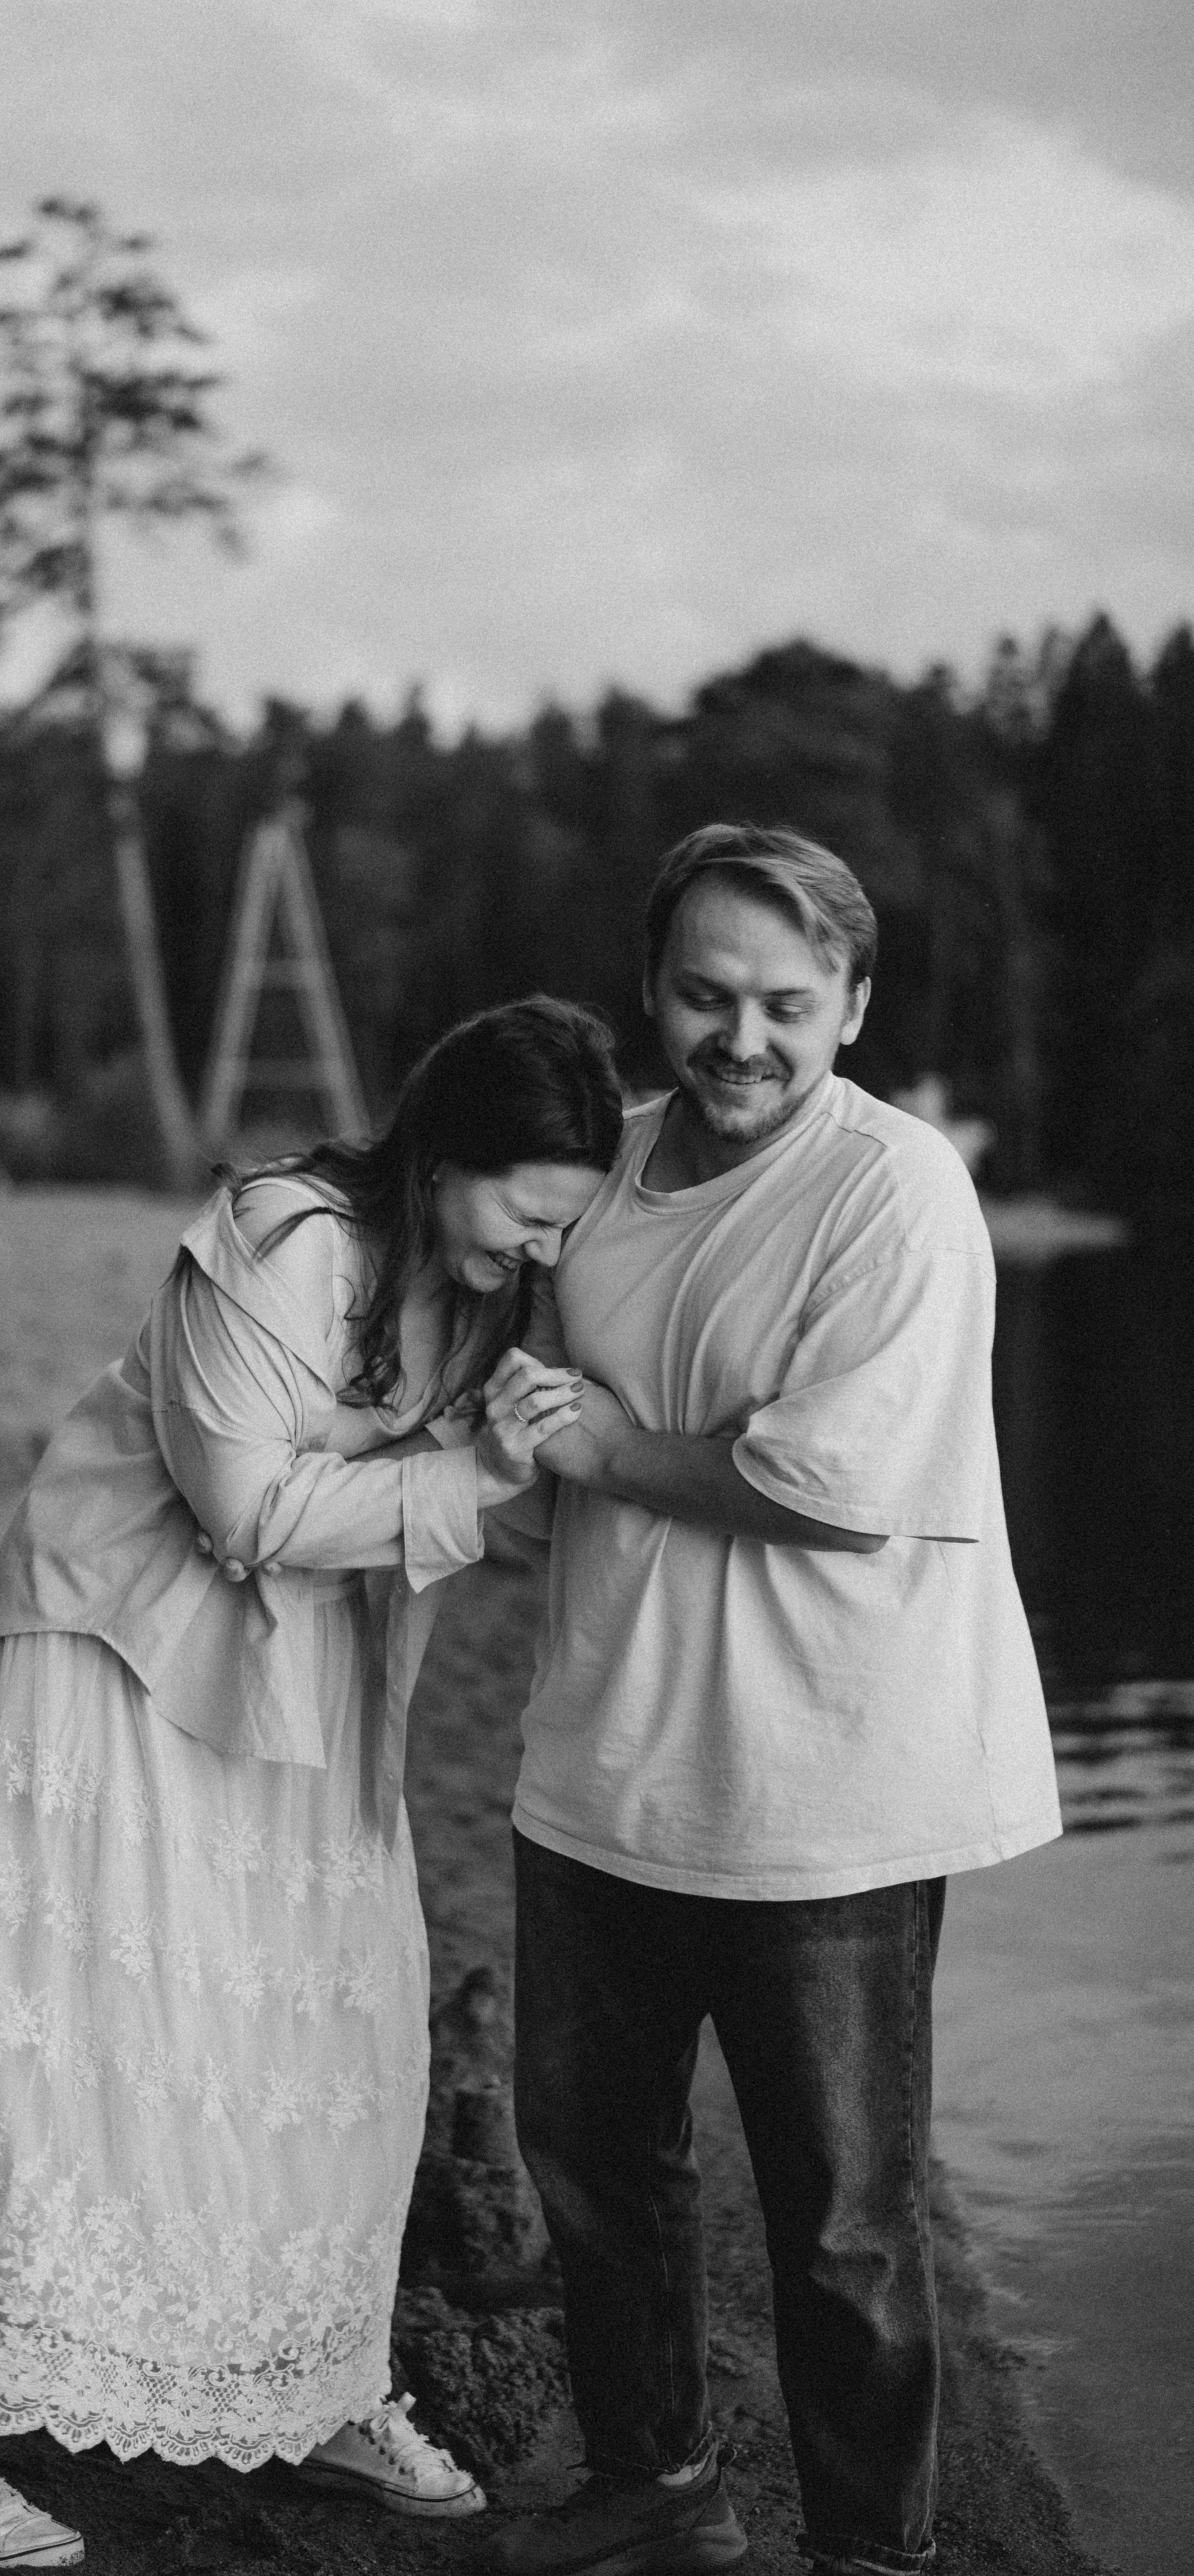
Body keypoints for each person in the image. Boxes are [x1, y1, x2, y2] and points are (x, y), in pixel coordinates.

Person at [0, 996, 624, 2569]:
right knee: (72, 2054)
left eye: (557, 1235)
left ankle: (309, 2382)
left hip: (292, 1685)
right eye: (524, 1216)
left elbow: (442, 1504)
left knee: (335, 2026)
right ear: (444, 1157)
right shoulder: (280, 1235)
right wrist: (481, 1475)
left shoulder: (476, 1297)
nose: (531, 1258)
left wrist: (539, 1445)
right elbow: (243, 1507)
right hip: (102, 1663)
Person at [474, 826, 1061, 2576]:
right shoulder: (603, 1167)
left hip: (832, 1797)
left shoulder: (897, 1190)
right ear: (652, 991)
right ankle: (658, 2495)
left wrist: (592, 1443)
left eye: (788, 1005)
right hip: (604, 1763)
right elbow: (504, 1357)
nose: (743, 1037)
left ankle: (873, 2554)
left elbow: (826, 1478)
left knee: (845, 2234)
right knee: (593, 2170)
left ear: (853, 1005)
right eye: (709, 995)